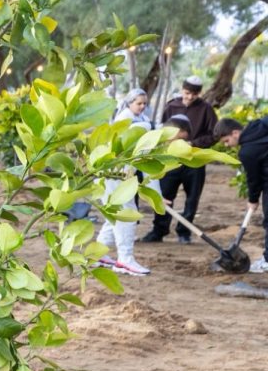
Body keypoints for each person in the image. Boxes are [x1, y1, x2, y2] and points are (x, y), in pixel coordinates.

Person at [142, 77, 219, 243]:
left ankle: (184, 232)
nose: (190, 97)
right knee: (165, 194)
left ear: (200, 93)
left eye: (194, 94)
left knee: (192, 197)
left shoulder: (206, 109)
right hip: (171, 159)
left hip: (194, 159)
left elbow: (215, 134)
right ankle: (159, 230)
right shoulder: (171, 106)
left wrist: (193, 143)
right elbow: (162, 129)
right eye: (187, 93)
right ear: (182, 90)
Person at [97, 92, 154, 276]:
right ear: (129, 103)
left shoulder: (141, 119)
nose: (142, 106)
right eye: (139, 103)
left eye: (145, 103)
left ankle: (99, 254)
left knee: (113, 215)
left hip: (119, 174)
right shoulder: (128, 122)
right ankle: (125, 260)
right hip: (116, 174)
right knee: (125, 215)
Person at [217, 116, 268, 273]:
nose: (227, 145)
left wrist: (253, 199)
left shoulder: (247, 152)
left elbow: (253, 179)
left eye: (226, 141)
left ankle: (267, 261)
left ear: (235, 133)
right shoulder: (259, 124)